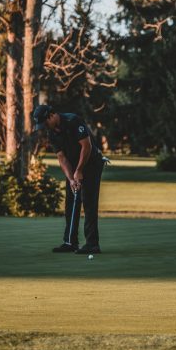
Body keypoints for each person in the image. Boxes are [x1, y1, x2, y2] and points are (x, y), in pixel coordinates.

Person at [34, 105, 106, 254]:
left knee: (88, 201)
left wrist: (79, 170)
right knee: (71, 201)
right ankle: (70, 242)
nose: (45, 127)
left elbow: (87, 147)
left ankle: (92, 244)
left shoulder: (73, 121)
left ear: (51, 115)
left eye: (45, 123)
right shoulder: (52, 133)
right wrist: (71, 178)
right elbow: (61, 158)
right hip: (73, 167)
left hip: (92, 163)